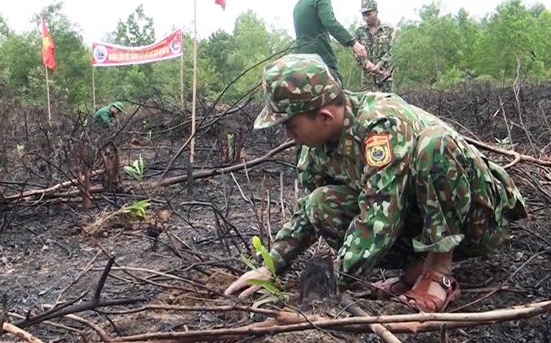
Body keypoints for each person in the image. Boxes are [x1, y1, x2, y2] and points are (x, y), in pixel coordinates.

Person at [225, 53, 527, 312]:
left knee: (436, 146)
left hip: (478, 220)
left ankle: (438, 271)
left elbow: (380, 217)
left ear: (325, 115)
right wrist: (270, 265)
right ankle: (415, 271)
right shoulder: (316, 149)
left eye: (291, 125)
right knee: (320, 203)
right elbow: (309, 213)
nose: (288, 135)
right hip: (420, 221)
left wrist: (333, 281)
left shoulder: (381, 123)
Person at [293, 0, 368, 85]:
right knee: (338, 89)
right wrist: (353, 43)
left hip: (299, 61)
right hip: (320, 58)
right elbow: (330, 22)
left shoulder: (299, 4)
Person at [354, 0, 396, 92]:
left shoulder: (388, 29)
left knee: (387, 104)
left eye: (369, 15)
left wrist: (379, 65)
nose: (366, 18)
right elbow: (355, 53)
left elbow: (391, 52)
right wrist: (366, 63)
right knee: (369, 105)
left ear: (376, 12)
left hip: (384, 77)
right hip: (368, 79)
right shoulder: (359, 32)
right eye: (363, 15)